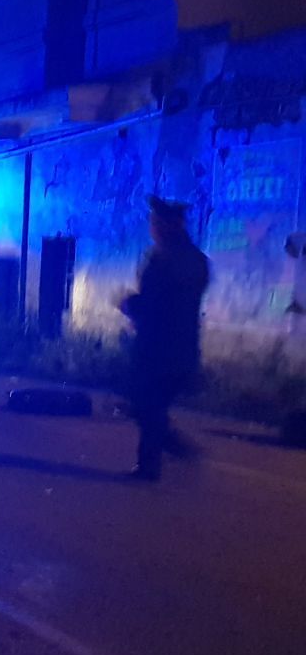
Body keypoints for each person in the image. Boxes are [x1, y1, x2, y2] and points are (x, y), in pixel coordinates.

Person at [119, 196, 210, 481]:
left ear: (166, 226)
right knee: (150, 405)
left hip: (157, 349)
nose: (152, 228)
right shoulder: (197, 260)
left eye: (155, 223)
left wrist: (128, 304)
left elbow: (154, 304)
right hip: (183, 349)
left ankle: (155, 462)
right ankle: (161, 455)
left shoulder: (162, 260)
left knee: (145, 403)